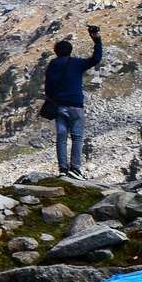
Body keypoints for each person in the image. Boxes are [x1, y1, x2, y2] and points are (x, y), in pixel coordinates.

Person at [44, 25, 103, 176]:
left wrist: (52, 99)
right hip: (76, 105)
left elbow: (48, 86)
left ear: (56, 52)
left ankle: (63, 169)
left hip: (59, 106)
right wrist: (96, 40)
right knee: (77, 137)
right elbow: (96, 59)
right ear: (70, 50)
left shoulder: (52, 65)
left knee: (61, 138)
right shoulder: (77, 63)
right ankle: (75, 168)